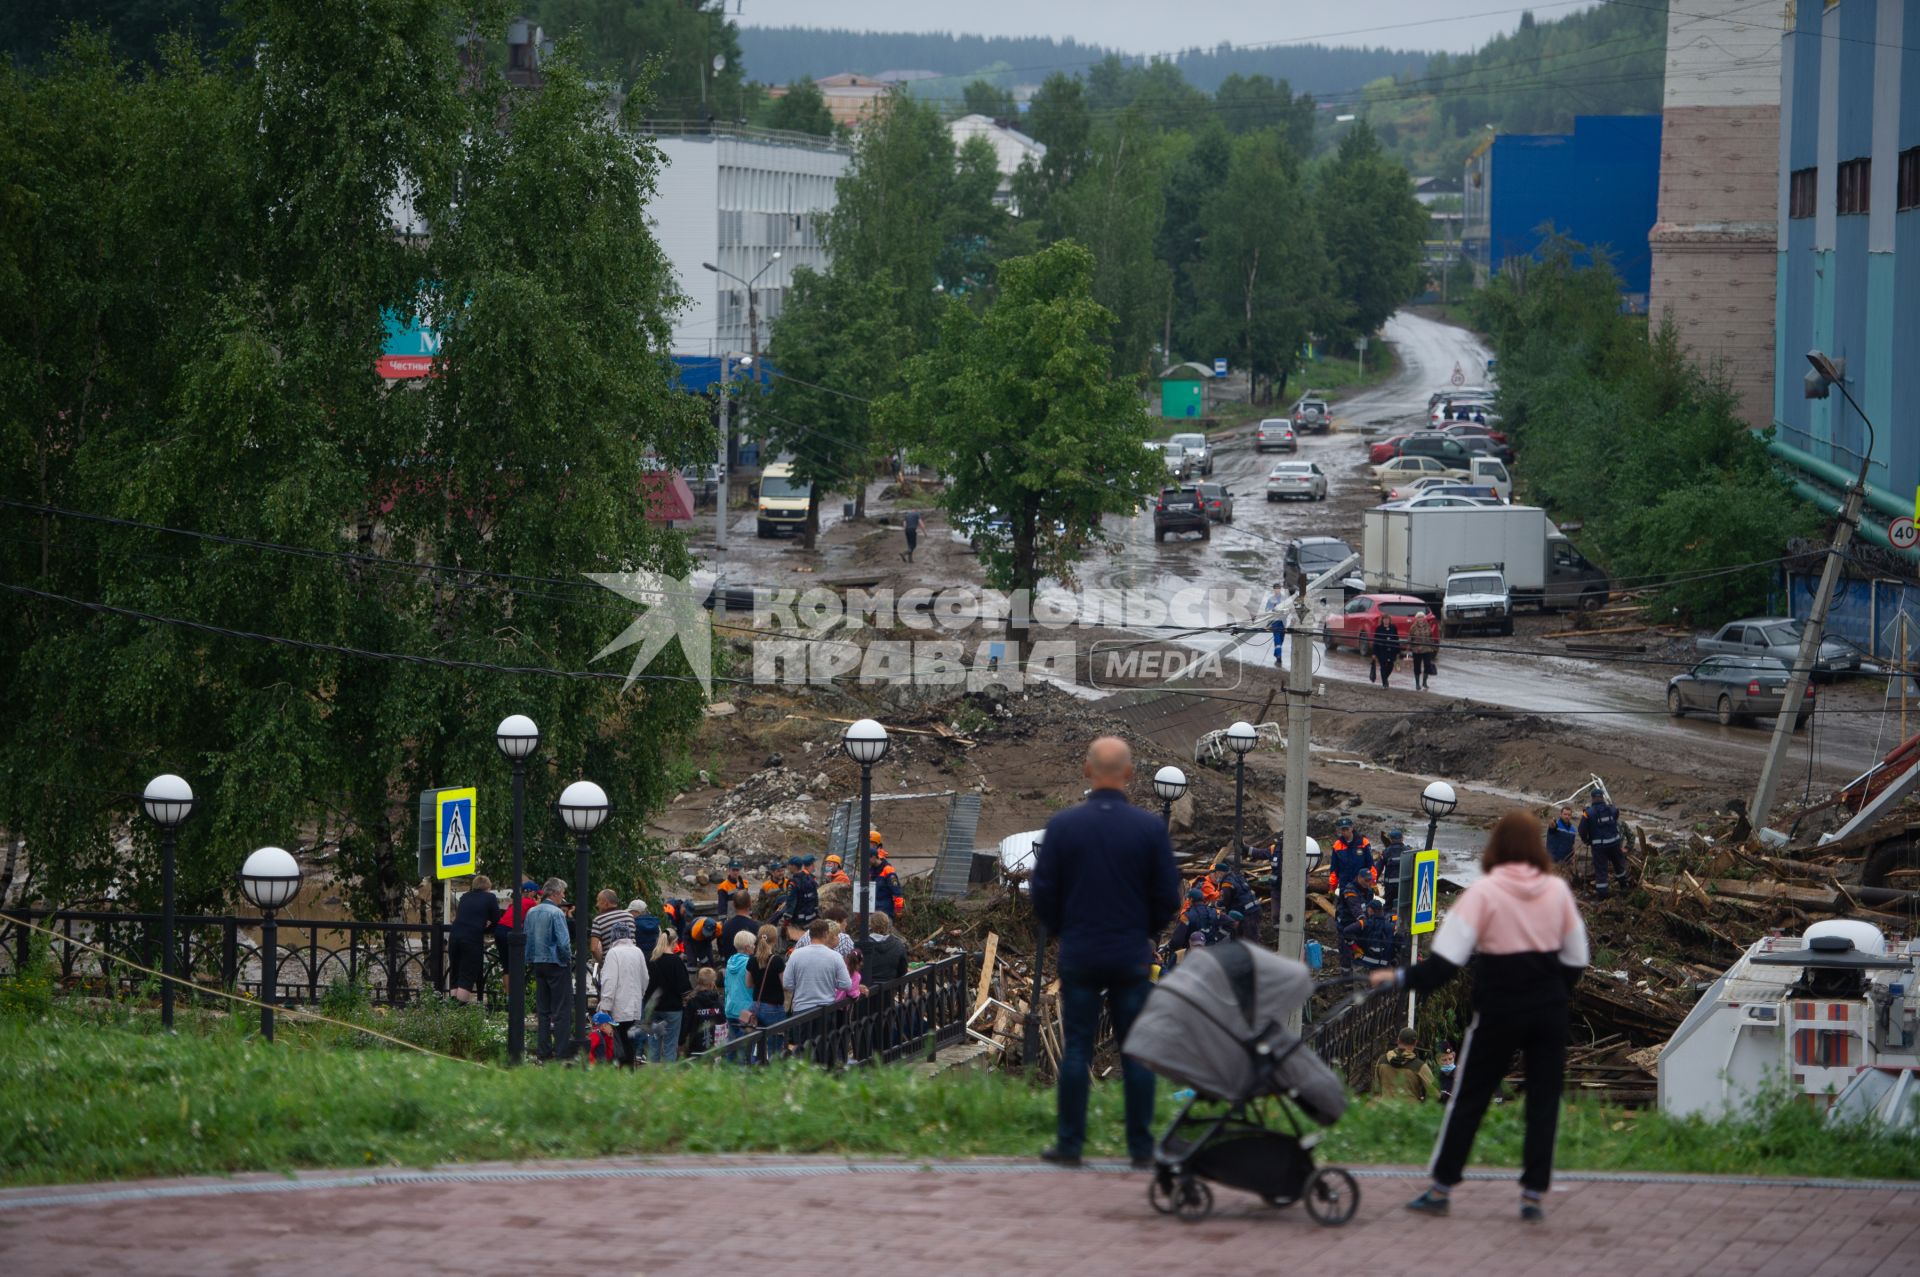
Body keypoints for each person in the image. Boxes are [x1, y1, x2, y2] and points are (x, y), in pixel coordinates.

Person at [1370, 810, 1590, 1223]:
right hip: (1548, 1011)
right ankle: (1532, 1197)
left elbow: (1443, 967)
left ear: (1496, 847)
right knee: (1543, 1103)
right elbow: (1578, 959)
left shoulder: (1483, 893)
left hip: (1498, 1012)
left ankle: (1441, 1188)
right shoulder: (1557, 893)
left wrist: (1397, 977)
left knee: (1469, 1099)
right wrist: (1553, 993)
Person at [1030, 736, 1182, 1170]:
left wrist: (1066, 930)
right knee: (1135, 1049)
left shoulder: (1063, 827)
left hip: (1080, 952)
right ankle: (1139, 1147)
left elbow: (1043, 893)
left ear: (1086, 770)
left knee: (1077, 1048)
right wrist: (1144, 932)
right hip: (1130, 954)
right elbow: (1167, 896)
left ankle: (1070, 1144)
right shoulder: (1149, 829)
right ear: (1130, 774)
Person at [524, 878, 574, 1061]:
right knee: (561, 1010)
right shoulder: (556, 913)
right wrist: (566, 960)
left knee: (543, 1011)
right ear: (554, 893)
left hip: (538, 963)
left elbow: (527, 938)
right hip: (556, 964)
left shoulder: (531, 911)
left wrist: (530, 959)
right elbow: (563, 942)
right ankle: (561, 1053)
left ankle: (543, 1051)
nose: (563, 896)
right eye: (562, 893)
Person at [597, 934, 649, 1068]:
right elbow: (645, 978)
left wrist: (605, 1006)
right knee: (630, 1041)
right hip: (635, 1006)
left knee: (618, 1042)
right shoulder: (638, 951)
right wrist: (640, 995)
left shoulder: (613, 953)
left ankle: (621, 1071)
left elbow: (609, 981)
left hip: (618, 1007)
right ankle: (630, 1071)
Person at [784, 917, 852, 1014]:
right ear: (825, 934)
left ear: (810, 934)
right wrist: (831, 982)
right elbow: (846, 984)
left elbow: (787, 984)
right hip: (826, 1008)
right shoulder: (836, 956)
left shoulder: (796, 954)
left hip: (802, 1009)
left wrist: (802, 985)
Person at [448, 875, 499, 1004]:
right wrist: (486, 927)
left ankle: (451, 1010)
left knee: (455, 972)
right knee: (467, 973)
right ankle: (459, 1010)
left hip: (454, 936)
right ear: (488, 887)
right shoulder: (490, 897)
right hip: (471, 938)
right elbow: (496, 919)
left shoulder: (465, 897)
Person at [644, 925, 691, 1063]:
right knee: (670, 1046)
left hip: (652, 1007)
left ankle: (652, 1077)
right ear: (674, 942)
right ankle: (667, 1078)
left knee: (653, 1045)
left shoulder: (651, 960)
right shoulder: (676, 961)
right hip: (672, 1008)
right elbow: (685, 988)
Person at [1578, 788, 1629, 899]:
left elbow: (1582, 830)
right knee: (1619, 865)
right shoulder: (1611, 809)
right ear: (1602, 797)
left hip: (1599, 846)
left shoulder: (1588, 813)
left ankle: (1602, 895)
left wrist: (1586, 840)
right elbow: (1616, 813)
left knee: (1601, 869)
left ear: (1592, 798)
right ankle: (1624, 886)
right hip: (1615, 843)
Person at [1374, 1028, 1440, 1101]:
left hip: (1385, 1109)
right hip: (1409, 1111)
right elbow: (1435, 1094)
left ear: (1398, 1040)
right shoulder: (1420, 1066)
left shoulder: (1382, 1060)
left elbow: (1376, 1088)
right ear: (1415, 1043)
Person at [747, 924, 790, 1026]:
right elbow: (785, 984)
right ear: (775, 940)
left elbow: (748, 984)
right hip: (773, 1007)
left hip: (756, 1005)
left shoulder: (752, 960)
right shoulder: (777, 960)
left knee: (757, 1039)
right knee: (775, 1039)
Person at [682, 967, 726, 1055]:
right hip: (715, 1045)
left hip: (695, 1045)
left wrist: (681, 1041)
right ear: (712, 983)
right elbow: (723, 1022)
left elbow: (686, 1023)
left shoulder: (692, 1001)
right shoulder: (718, 1001)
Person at [857, 912, 909, 985]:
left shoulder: (862, 945)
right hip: (889, 988)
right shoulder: (898, 945)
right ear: (887, 925)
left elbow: (855, 969)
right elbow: (903, 970)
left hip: (867, 989)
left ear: (871, 925)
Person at [724, 928, 757, 1030]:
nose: (755, 946)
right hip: (745, 1010)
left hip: (730, 1008)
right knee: (746, 1043)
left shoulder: (730, 962)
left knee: (733, 1043)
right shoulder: (750, 963)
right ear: (747, 947)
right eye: (753, 944)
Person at [590, 888, 634, 962]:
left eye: (598, 901)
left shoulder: (598, 920)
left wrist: (602, 963)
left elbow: (594, 948)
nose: (597, 905)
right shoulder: (629, 916)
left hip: (611, 963)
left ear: (606, 903)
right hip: (630, 961)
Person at [1378, 828, 1409, 916]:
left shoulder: (1386, 852)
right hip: (1405, 886)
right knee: (1405, 907)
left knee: (1388, 907)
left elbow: (1378, 868)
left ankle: (1387, 925)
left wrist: (1372, 882)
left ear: (1390, 840)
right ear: (1402, 838)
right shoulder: (1408, 851)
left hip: (1390, 887)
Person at [719, 889, 759, 957]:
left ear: (734, 905)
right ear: (750, 903)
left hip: (731, 965)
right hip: (749, 966)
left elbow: (723, 948)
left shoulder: (725, 926)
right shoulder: (755, 926)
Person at [785, 855, 819, 928]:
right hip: (812, 917)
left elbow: (791, 902)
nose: (788, 867)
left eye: (789, 865)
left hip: (799, 920)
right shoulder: (811, 878)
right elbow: (815, 897)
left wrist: (787, 918)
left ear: (793, 866)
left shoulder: (793, 882)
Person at [1407, 609, 1438, 691]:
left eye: (1422, 617)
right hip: (1417, 650)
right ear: (1416, 618)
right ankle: (1417, 684)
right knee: (1417, 667)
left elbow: (1431, 636)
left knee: (1427, 666)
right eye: (1419, 617)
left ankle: (1424, 682)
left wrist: (1433, 647)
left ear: (1424, 618)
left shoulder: (1427, 625)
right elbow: (1409, 638)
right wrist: (1410, 647)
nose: (1420, 619)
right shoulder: (1413, 627)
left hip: (1427, 649)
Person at [1373, 614, 1402, 689]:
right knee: (1383, 667)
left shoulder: (1393, 628)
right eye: (1384, 619)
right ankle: (1385, 683)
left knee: (1390, 666)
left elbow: (1396, 639)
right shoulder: (1379, 629)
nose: (1386, 621)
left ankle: (1385, 679)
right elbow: (1375, 641)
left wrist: (1398, 651)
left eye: (1387, 619)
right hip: (1381, 651)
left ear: (1389, 620)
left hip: (1391, 651)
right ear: (1382, 620)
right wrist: (1374, 653)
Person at [1264, 582, 1289, 666]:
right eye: (1276, 588)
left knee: (1281, 640)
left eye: (1278, 588)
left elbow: (1288, 609)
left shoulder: (1284, 599)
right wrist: (1273, 608)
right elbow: (1267, 610)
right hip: (1275, 622)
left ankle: (1277, 653)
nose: (1277, 589)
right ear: (1274, 589)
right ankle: (1279, 657)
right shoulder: (1271, 599)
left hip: (1283, 622)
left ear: (1280, 589)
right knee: (1277, 639)